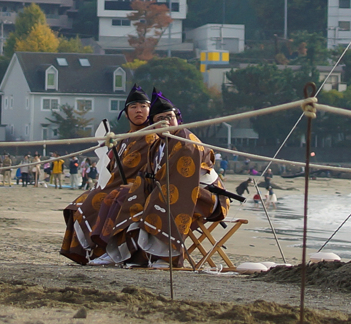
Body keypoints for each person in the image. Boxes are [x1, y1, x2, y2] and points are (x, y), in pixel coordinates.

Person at [128, 93, 230, 268]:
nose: (166, 122)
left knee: (162, 198)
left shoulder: (187, 143)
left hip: (206, 198)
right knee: (134, 197)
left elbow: (182, 182)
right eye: (160, 119)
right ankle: (140, 254)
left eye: (170, 117)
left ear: (177, 118)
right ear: (152, 124)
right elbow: (148, 176)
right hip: (174, 191)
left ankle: (168, 256)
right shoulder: (157, 145)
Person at [60, 85, 156, 265]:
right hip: (115, 183)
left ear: (150, 110)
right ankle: (90, 253)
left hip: (138, 188)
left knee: (102, 200)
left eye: (143, 106)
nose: (139, 110)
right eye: (134, 107)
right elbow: (111, 166)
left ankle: (110, 251)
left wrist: (137, 184)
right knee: (78, 203)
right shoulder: (123, 138)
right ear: (126, 113)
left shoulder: (154, 137)